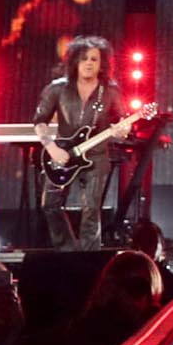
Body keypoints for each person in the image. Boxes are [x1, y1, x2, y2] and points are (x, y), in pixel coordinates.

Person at [32, 37, 127, 249]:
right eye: (84, 58)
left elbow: (122, 122)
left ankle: (89, 258)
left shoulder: (110, 91)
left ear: (103, 63)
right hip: (62, 154)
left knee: (91, 211)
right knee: (50, 205)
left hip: (96, 157)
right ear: (74, 61)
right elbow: (39, 121)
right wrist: (52, 148)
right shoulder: (57, 89)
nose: (89, 63)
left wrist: (122, 130)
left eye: (95, 59)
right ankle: (67, 251)